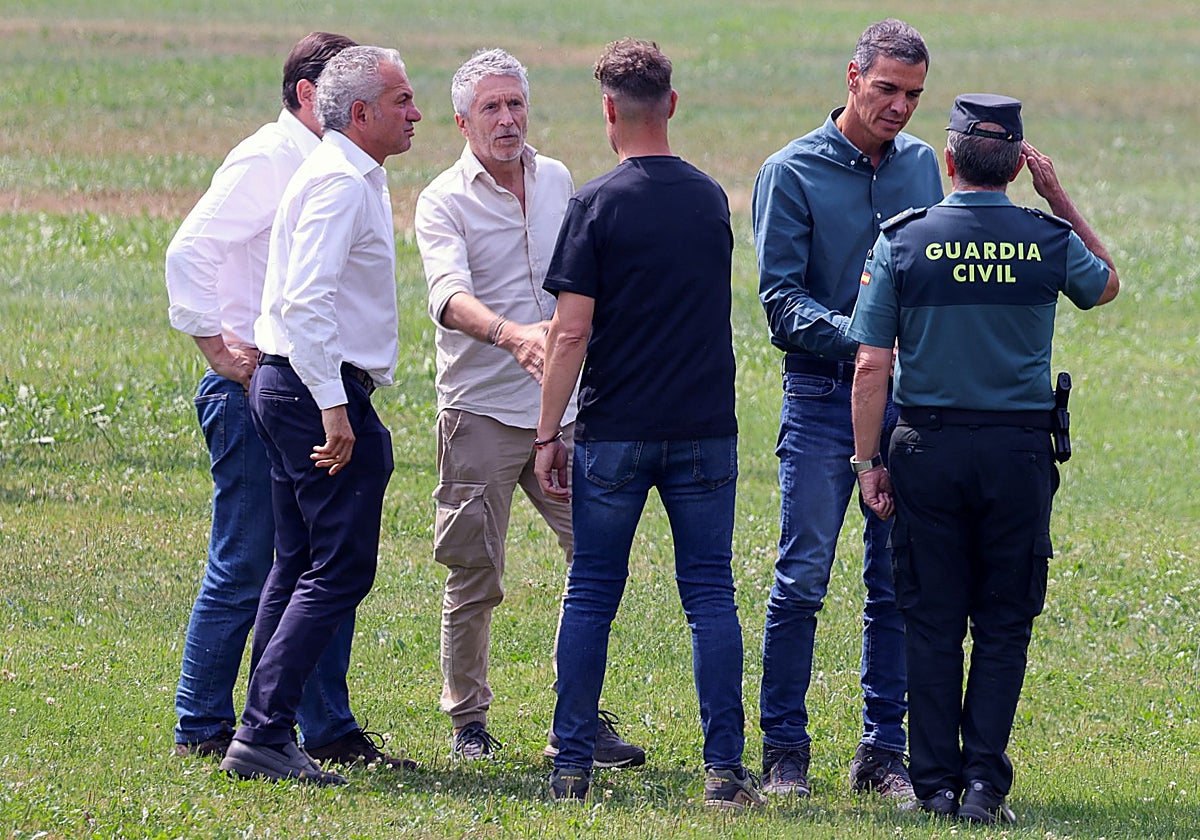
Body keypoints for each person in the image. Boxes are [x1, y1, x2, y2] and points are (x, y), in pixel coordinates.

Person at [848, 94, 1119, 823]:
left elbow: (871, 366)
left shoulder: (904, 240)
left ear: (948, 160)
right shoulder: (1045, 237)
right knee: (1003, 623)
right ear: (1018, 165)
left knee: (931, 620)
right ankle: (983, 788)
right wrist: (1059, 199)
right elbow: (1107, 284)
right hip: (1017, 452)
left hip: (926, 448)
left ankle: (933, 783)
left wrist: (867, 463)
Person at [533, 37, 762, 811]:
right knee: (709, 593)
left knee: (592, 592)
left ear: (608, 111)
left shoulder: (595, 204)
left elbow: (570, 333)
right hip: (704, 427)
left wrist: (545, 434)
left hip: (616, 430)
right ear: (671, 104)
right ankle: (725, 771)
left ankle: (571, 765)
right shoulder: (706, 199)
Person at [165, 32, 404, 770]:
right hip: (280, 381)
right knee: (257, 563)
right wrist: (218, 349)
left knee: (296, 567)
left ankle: (308, 726)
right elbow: (192, 252)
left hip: (290, 376)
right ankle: (214, 722)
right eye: (398, 99)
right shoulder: (280, 161)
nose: (414, 113)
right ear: (315, 95)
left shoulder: (337, 166)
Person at [414, 49, 643, 767]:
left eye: (516, 104)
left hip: (565, 414)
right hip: (478, 412)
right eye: (492, 108)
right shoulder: (441, 199)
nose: (508, 119)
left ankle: (577, 719)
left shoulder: (558, 181)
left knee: (596, 560)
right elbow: (445, 296)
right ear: (462, 121)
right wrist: (510, 334)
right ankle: (469, 724)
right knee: (474, 575)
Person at [751, 18, 943, 802]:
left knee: (894, 580)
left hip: (908, 406)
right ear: (852, 77)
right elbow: (780, 303)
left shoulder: (923, 166)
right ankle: (785, 755)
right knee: (802, 577)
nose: (900, 107)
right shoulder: (790, 171)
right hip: (824, 397)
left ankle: (882, 753)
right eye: (888, 89)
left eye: (914, 95)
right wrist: (869, 340)